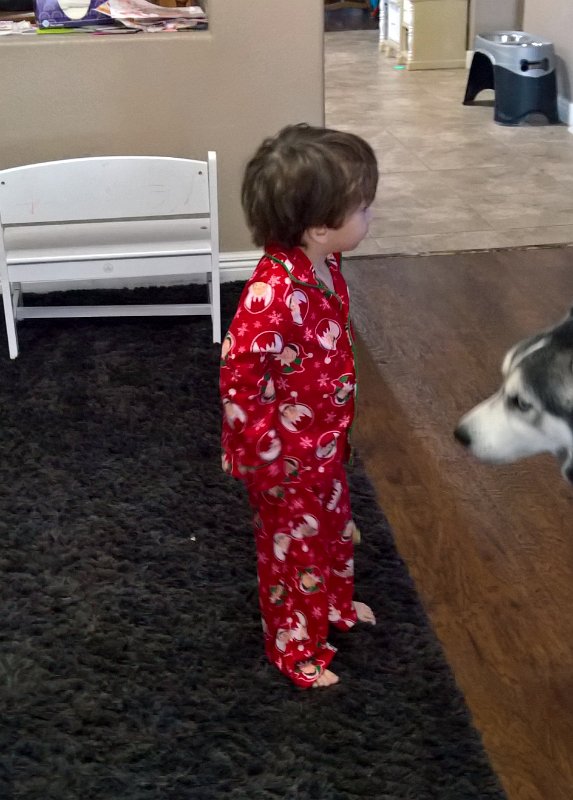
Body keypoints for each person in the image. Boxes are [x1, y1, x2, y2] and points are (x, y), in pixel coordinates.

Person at [220, 123, 379, 689]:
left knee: (333, 524)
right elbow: (240, 377)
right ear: (318, 227)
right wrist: (264, 458)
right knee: (293, 554)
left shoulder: (323, 265)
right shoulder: (273, 294)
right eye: (362, 208)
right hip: (284, 458)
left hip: (324, 440)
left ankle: (333, 604)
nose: (371, 216)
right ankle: (294, 647)